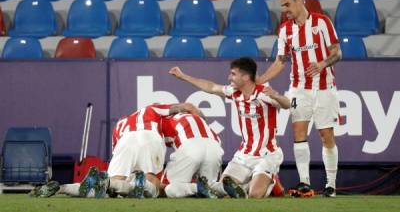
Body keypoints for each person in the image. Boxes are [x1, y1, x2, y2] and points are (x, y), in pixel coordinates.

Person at [258, 0, 342, 197]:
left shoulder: (322, 22)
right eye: (282, 6)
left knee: (326, 135)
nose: (284, 9)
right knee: (298, 133)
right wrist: (261, 80)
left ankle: (330, 185)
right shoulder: (285, 30)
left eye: (287, 4)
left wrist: (322, 63)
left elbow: (337, 52)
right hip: (299, 88)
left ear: (299, 2)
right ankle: (305, 182)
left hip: (324, 88)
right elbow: (281, 61)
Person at [169, 57, 290, 199]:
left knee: (254, 195)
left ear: (245, 77)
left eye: (233, 74)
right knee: (223, 190)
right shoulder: (234, 92)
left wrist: (276, 96)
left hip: (267, 155)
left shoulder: (263, 94)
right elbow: (211, 87)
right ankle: (245, 186)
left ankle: (272, 181)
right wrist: (183, 76)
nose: (229, 77)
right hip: (244, 155)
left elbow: (287, 104)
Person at [30, 103, 202, 198]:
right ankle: (140, 181)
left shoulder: (119, 125)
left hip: (125, 140)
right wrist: (199, 117)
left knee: (111, 185)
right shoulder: (151, 109)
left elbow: (117, 150)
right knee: (153, 184)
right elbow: (184, 107)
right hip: (150, 135)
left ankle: (63, 188)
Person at [160, 112, 224, 198]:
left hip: (190, 145)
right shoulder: (194, 116)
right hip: (215, 146)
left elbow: (160, 145)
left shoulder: (163, 120)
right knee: (210, 185)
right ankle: (224, 188)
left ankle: (197, 188)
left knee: (169, 188)